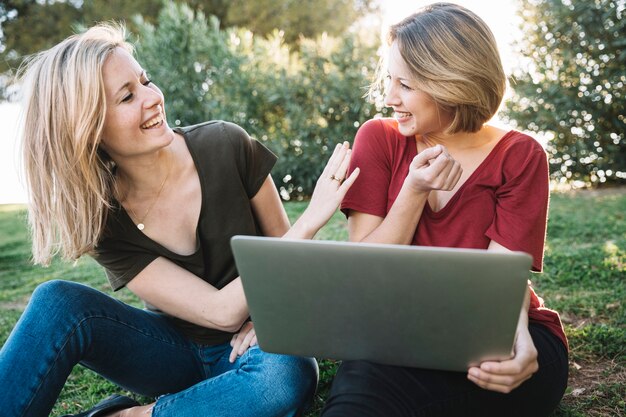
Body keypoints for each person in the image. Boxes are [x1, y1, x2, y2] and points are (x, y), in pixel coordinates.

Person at [0, 23, 359, 417]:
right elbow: (220, 312)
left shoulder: (227, 144)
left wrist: (275, 315)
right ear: (90, 129)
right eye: (127, 96)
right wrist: (308, 221)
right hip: (170, 355)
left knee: (281, 381)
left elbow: (296, 269)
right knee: (57, 301)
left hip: (255, 349)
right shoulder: (104, 219)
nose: (153, 98)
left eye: (146, 81)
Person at [321, 3, 568, 417]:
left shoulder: (521, 156)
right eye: (388, 80)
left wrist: (515, 334)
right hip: (398, 334)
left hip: (501, 336)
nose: (389, 97)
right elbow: (364, 272)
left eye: (405, 84)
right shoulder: (379, 139)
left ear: (452, 82)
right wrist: (413, 191)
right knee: (360, 392)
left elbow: (498, 288)